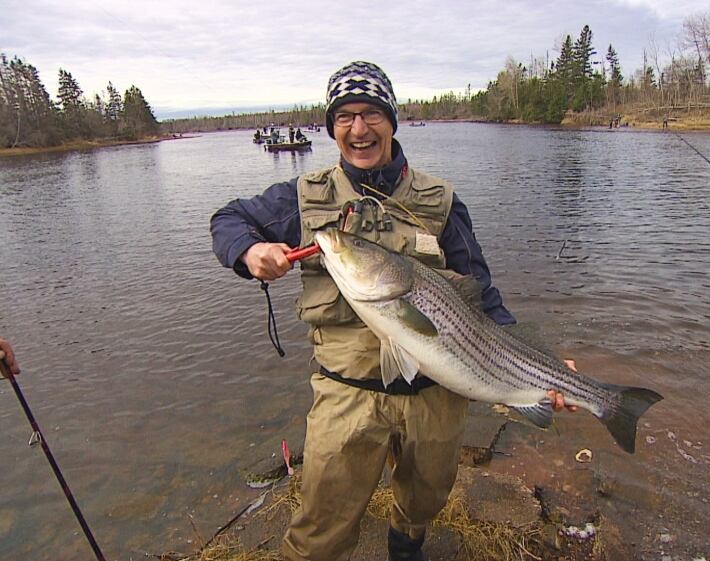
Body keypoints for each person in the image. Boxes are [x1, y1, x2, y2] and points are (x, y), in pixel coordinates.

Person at [211, 60, 574, 561]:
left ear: (392, 120)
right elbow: (228, 219)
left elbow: (481, 294)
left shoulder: (440, 200)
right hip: (347, 393)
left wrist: (539, 364)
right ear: (332, 127)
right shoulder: (302, 198)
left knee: (424, 499)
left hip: (435, 394)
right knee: (321, 523)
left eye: (371, 114)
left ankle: (407, 549)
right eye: (344, 117)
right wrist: (249, 252)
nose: (358, 129)